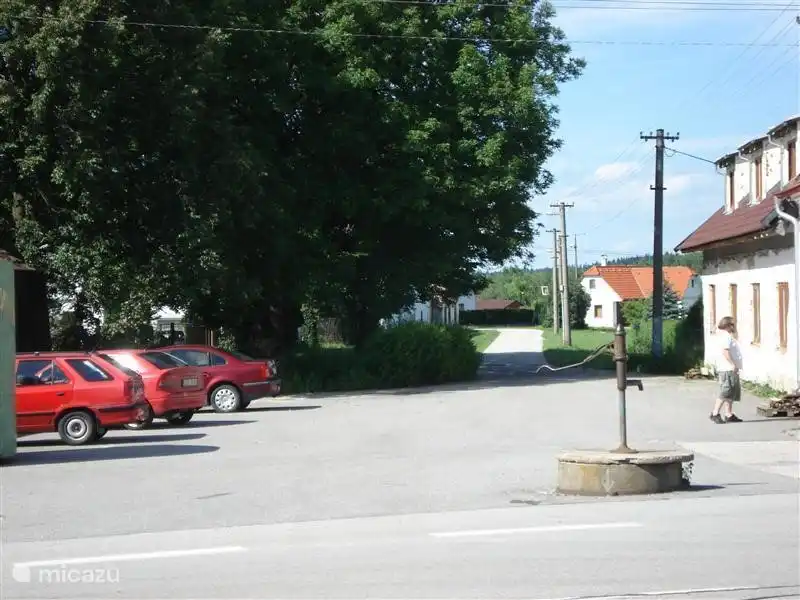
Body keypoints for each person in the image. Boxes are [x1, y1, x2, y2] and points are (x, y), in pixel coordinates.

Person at [711, 316, 743, 423]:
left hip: (730, 369)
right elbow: (725, 352)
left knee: (731, 392)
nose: (734, 326)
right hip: (727, 368)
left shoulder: (728, 336)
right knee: (726, 391)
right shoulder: (726, 337)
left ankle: (728, 414)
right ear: (727, 325)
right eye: (732, 324)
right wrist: (733, 364)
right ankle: (715, 413)